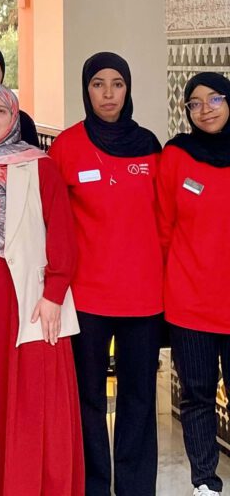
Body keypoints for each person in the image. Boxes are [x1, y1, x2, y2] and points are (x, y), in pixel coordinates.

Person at [0, 83, 83, 496]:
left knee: (29, 397)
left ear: (14, 119)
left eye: (0, 111)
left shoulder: (38, 166)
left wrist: (54, 294)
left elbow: (62, 234)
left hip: (27, 297)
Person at [49, 52, 163, 496]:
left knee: (138, 399)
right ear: (86, 89)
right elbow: (53, 224)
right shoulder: (67, 147)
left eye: (117, 83)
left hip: (143, 298)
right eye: (99, 84)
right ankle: (93, 486)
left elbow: (166, 220)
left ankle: (136, 488)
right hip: (87, 300)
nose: (109, 93)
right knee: (88, 400)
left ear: (128, 88)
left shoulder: (149, 146)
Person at [158, 72, 230, 496]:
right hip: (191, 303)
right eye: (195, 103)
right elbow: (164, 227)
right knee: (197, 397)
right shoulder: (177, 155)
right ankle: (205, 483)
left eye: (214, 99)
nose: (205, 109)